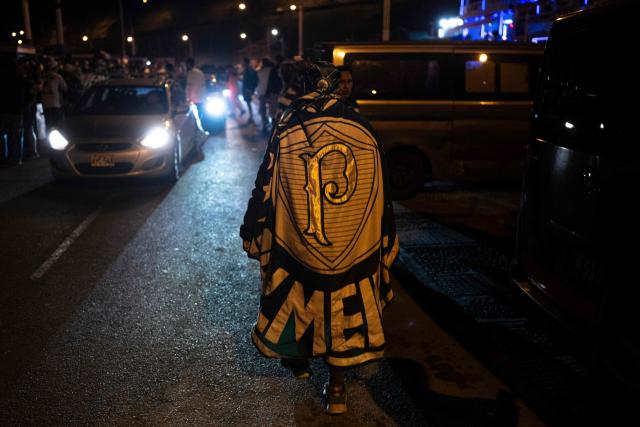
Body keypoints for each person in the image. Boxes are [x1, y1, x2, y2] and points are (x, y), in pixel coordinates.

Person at [240, 61, 398, 415]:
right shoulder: (362, 125)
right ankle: (338, 389)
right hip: (354, 244)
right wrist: (383, 236)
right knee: (343, 314)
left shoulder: (288, 124)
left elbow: (265, 183)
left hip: (298, 240)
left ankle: (299, 361)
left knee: (296, 297)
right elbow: (383, 193)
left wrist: (253, 228)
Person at [185, 57, 206, 158]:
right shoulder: (200, 72)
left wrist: (188, 99)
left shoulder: (191, 73)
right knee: (200, 119)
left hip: (194, 99)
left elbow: (189, 86)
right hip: (201, 98)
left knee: (195, 122)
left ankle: (197, 141)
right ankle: (201, 136)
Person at [41, 58, 67, 134]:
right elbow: (65, 88)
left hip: (45, 105)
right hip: (56, 104)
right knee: (57, 125)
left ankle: (47, 142)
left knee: (48, 125)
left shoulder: (42, 76)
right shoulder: (58, 77)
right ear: (55, 68)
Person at [241, 57, 258, 124]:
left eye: (243, 62)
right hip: (247, 88)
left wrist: (250, 88)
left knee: (248, 102)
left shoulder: (248, 69)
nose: (242, 63)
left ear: (245, 62)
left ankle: (251, 117)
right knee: (248, 102)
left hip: (247, 89)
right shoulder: (247, 69)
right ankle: (251, 116)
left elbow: (253, 79)